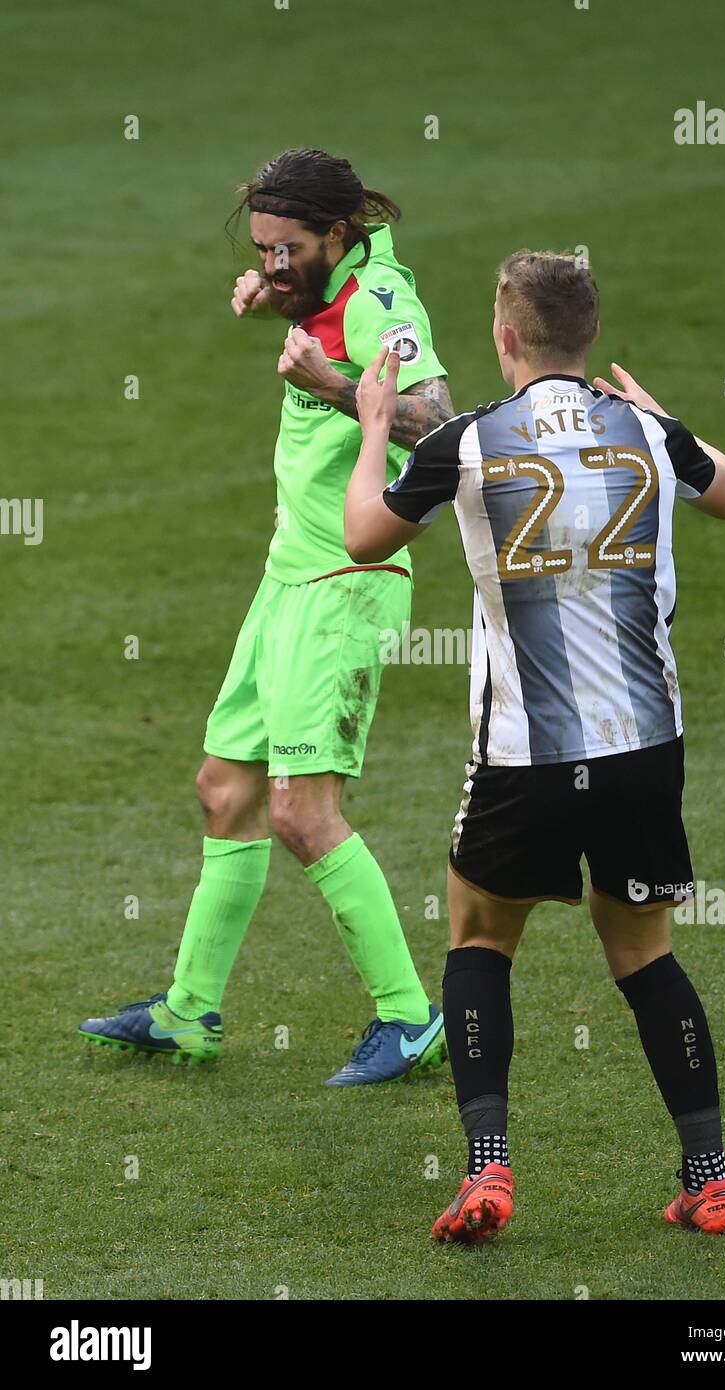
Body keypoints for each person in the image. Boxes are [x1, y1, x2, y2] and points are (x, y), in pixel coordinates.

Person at [343, 248, 725, 1237]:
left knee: (479, 939)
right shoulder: (648, 432)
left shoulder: (470, 441)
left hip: (524, 754)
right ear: (589, 335)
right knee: (645, 954)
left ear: (503, 336)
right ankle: (710, 1176)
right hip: (645, 750)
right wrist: (664, 417)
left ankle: (486, 1170)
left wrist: (367, 431)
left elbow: (362, 535)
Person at [80, 149, 452, 1085]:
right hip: (285, 580)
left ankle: (410, 1018)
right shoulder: (327, 279)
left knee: (300, 813)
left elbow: (441, 422)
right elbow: (309, 298)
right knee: (225, 790)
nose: (271, 265)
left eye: (287, 250)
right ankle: (190, 1011)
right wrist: (280, 291)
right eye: (260, 249)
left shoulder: (380, 306)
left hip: (347, 585)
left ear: (339, 234)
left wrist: (334, 384)